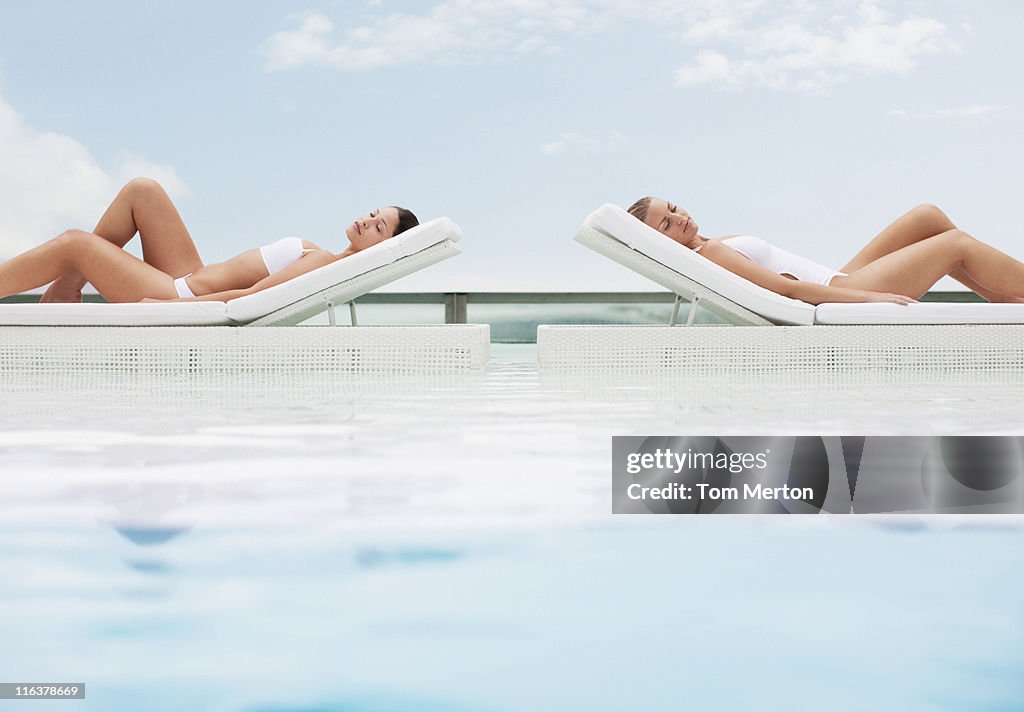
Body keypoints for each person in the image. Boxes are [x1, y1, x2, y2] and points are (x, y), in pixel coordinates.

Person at [0, 178, 419, 303]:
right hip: (189, 275)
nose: (367, 221)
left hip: (175, 294)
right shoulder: (324, 253)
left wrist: (167, 310)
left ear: (382, 248)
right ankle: (63, 293)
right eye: (372, 213)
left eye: (378, 227)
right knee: (142, 192)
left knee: (75, 242)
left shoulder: (325, 264)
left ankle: (58, 292)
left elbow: (251, 298)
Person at [628, 197, 1024, 305]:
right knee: (954, 244)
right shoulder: (711, 254)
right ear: (660, 241)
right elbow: (787, 291)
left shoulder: (710, 242)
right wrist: (867, 296)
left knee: (926, 216)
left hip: (836, 275)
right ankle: (1010, 290)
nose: (678, 218)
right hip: (846, 288)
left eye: (674, 209)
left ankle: (999, 293)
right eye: (666, 224)